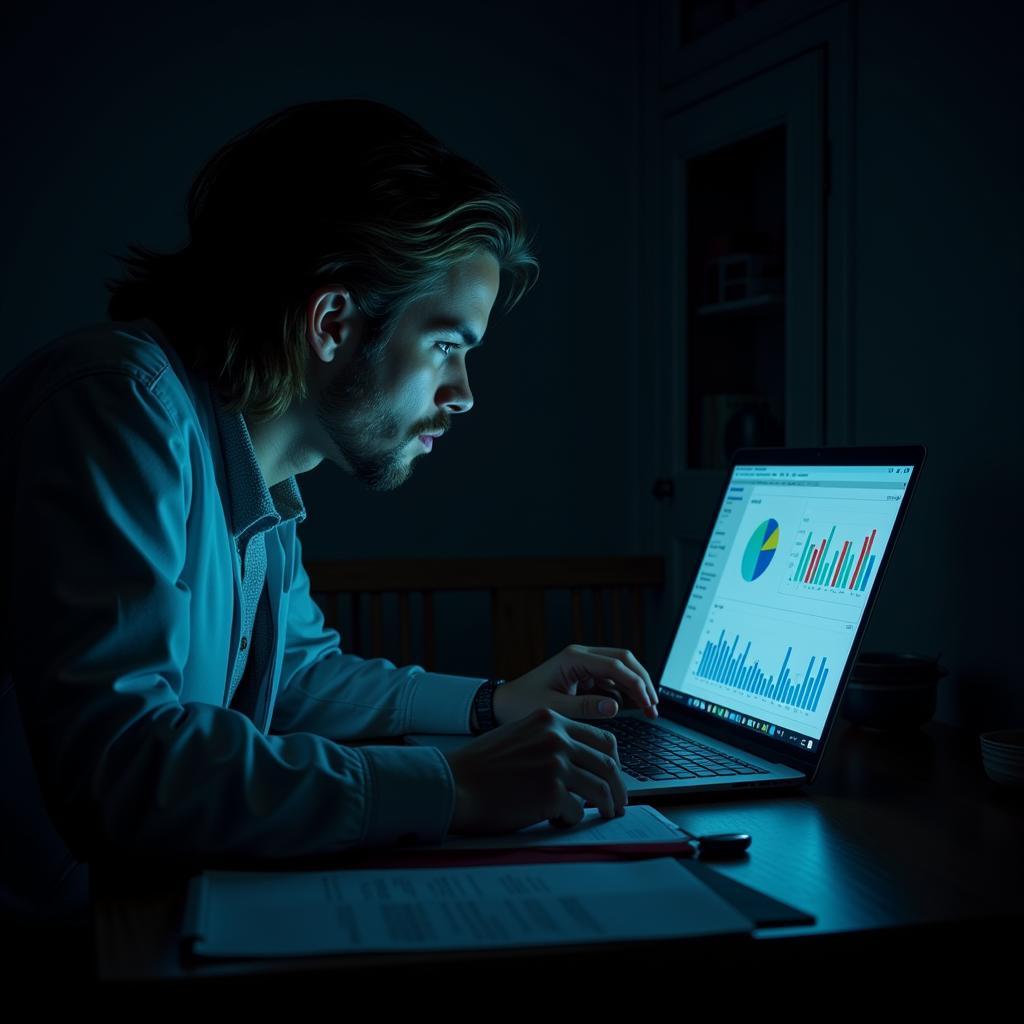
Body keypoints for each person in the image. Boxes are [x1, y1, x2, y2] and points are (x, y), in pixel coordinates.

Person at [0, 99, 659, 928]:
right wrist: (455, 787)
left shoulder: (255, 466)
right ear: (334, 321)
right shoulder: (120, 407)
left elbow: (302, 678)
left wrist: (494, 706)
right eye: (448, 346)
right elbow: (126, 769)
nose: (463, 396)